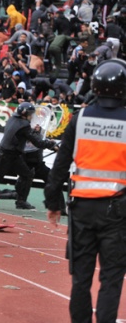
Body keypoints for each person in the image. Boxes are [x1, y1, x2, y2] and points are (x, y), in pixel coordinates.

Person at [45, 59, 126, 323]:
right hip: (117, 213)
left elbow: (60, 164)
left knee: (80, 279)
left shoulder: (80, 119)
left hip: (80, 211)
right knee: (111, 280)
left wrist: (52, 202)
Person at [0, 102, 57, 208]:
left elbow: (23, 136)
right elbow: (37, 142)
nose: (32, 117)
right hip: (5, 157)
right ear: (24, 114)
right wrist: (51, 144)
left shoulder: (13, 119)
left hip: (13, 156)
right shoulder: (24, 125)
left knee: (27, 174)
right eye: (30, 114)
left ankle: (21, 201)